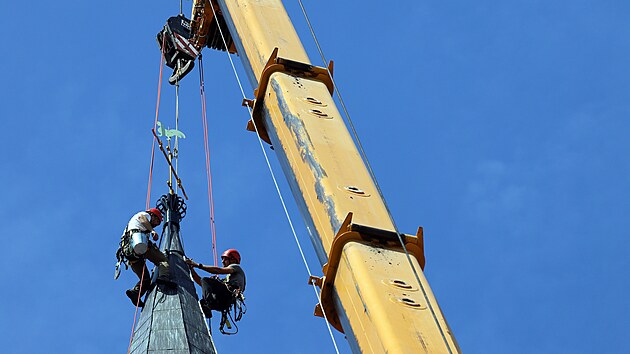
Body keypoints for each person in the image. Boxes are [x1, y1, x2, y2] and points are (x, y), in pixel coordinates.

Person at [121, 208, 171, 307]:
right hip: (139, 241)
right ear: (153, 215)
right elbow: (142, 218)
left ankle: (135, 293)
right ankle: (164, 278)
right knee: (163, 260)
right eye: (157, 221)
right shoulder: (145, 215)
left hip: (130, 252)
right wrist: (152, 231)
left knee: (145, 279)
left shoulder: (134, 226)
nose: (156, 224)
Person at [186, 249, 246, 318]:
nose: (222, 262)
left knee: (205, 280)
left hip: (225, 296)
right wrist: (191, 270)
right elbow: (201, 282)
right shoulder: (229, 280)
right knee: (204, 285)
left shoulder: (236, 267)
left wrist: (197, 265)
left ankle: (207, 304)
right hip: (222, 303)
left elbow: (218, 270)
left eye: (225, 259)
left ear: (233, 260)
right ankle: (207, 305)